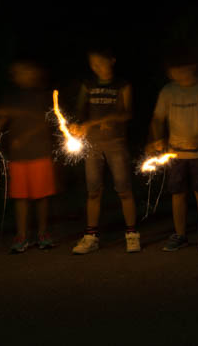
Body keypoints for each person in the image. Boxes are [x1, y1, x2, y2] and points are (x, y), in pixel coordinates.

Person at [149, 49, 198, 252]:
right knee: (177, 193)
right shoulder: (168, 91)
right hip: (176, 152)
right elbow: (157, 119)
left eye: (182, 69)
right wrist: (157, 139)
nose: (179, 74)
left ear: (192, 67)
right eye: (174, 71)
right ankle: (180, 235)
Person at [70, 47, 139, 254]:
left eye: (100, 62)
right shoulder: (87, 84)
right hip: (93, 145)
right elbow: (80, 112)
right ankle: (91, 236)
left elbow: (127, 113)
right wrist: (76, 126)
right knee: (93, 191)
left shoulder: (122, 85)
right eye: (93, 64)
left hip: (116, 143)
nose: (96, 67)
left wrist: (104, 120)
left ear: (112, 60)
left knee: (124, 189)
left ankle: (132, 234)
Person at [0, 60, 58, 253]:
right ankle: (22, 235)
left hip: (39, 153)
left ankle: (43, 233)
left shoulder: (43, 96)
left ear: (34, 73)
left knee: (41, 196)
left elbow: (45, 121)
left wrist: (25, 137)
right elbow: (6, 117)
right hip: (18, 156)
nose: (21, 75)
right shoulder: (12, 96)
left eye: (25, 71)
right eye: (17, 72)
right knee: (20, 197)